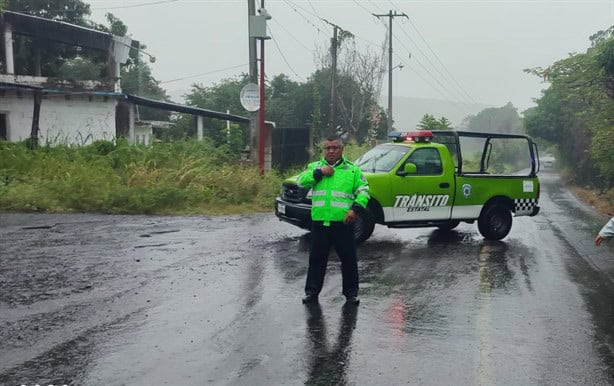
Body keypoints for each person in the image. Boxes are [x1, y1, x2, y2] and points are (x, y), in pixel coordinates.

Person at [297, 134, 370, 305]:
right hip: (320, 223)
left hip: (343, 224)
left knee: (349, 260)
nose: (330, 151)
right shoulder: (315, 167)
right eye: (327, 148)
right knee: (316, 259)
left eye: (334, 147)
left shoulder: (352, 170)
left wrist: (355, 210)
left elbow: (364, 191)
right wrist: (319, 173)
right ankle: (312, 293)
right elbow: (301, 182)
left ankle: (351, 294)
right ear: (324, 150)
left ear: (341, 149)